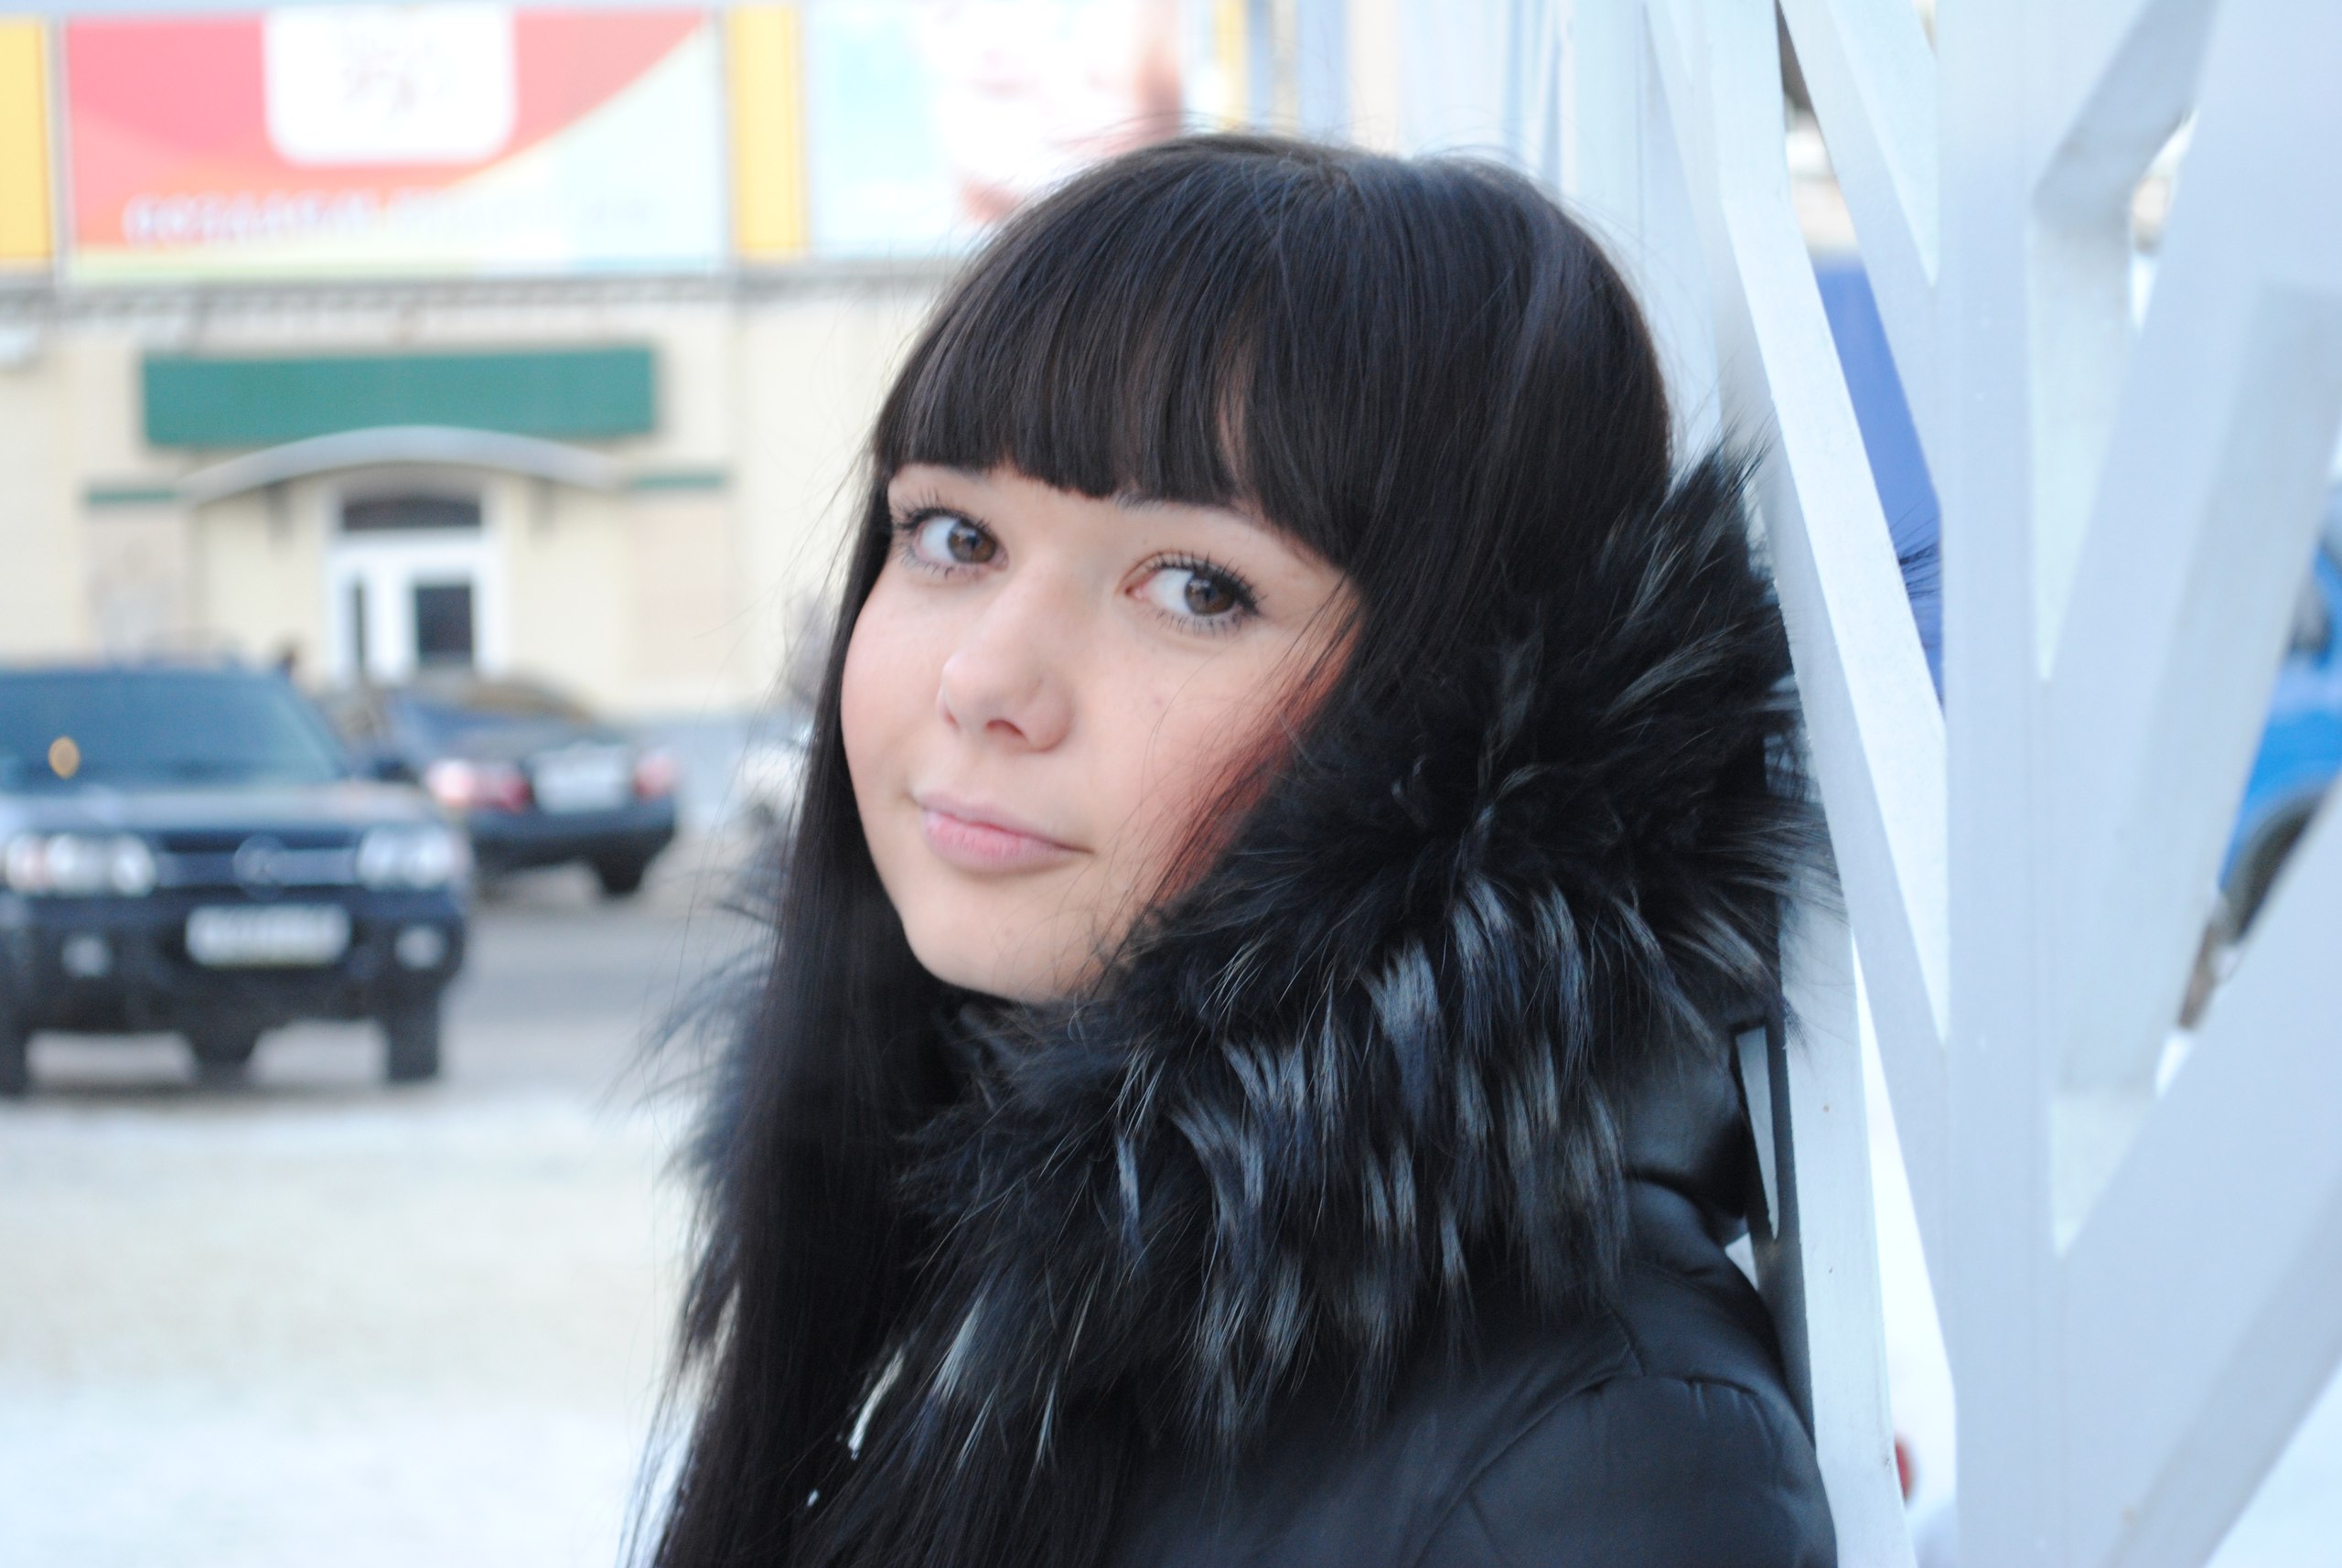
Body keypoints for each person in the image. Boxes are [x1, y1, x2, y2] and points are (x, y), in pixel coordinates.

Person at [650, 134, 1835, 1568]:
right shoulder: (988, 1242)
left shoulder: (1591, 1452)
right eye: (954, 535)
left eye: (1197, 587)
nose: (984, 680)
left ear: (1459, 720)